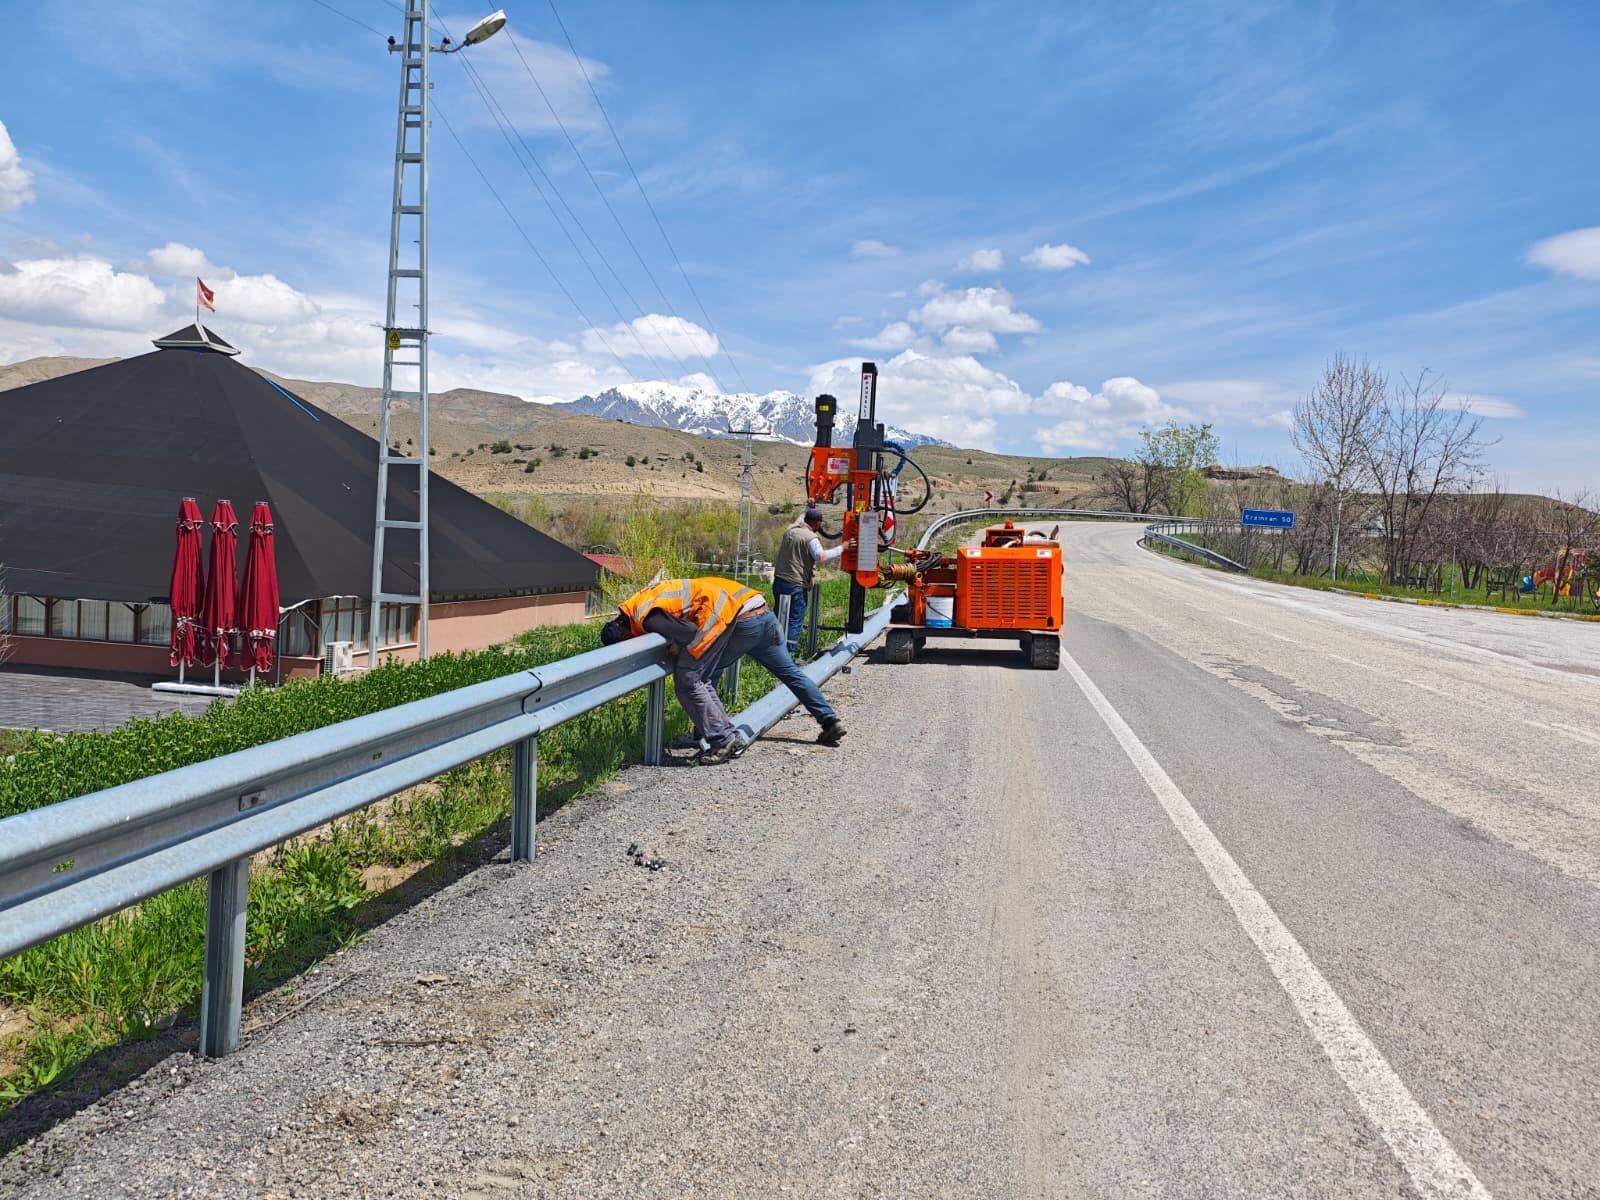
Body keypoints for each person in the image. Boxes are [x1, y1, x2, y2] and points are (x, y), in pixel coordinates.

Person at [601, 576, 846, 764]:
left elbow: (686, 632)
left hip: (740, 621)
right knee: (790, 673)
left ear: (624, 633)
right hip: (761, 612)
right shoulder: (648, 597)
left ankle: (719, 737)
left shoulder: (644, 616)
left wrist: (675, 646)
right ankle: (828, 720)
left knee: (692, 678)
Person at [772, 507, 848, 654]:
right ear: (818, 523)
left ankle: (773, 653)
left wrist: (809, 506)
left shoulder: (790, 530)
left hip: (779, 581)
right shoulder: (811, 538)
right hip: (795, 584)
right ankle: (787, 655)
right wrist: (842, 548)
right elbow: (821, 556)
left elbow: (799, 519)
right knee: (794, 620)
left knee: (779, 617)